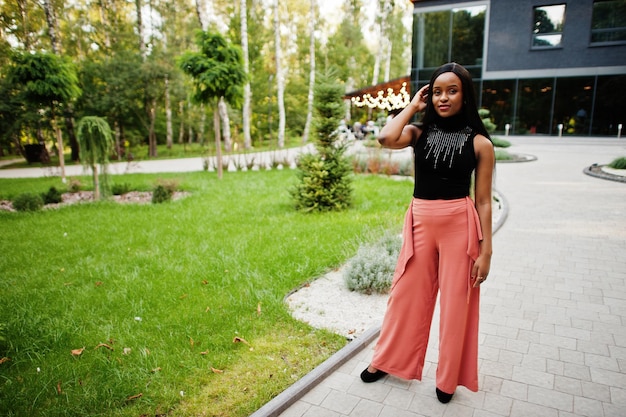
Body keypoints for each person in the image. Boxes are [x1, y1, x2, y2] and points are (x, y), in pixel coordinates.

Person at [360, 62, 495, 404]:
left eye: (452, 90)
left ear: (465, 95)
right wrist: (412, 106)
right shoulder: (418, 133)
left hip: (459, 225)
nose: (443, 97)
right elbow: (385, 137)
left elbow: (483, 201)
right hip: (420, 220)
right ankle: (387, 360)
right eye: (436, 91)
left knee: (455, 305)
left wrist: (486, 251)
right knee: (405, 296)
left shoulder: (480, 143)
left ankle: (448, 379)